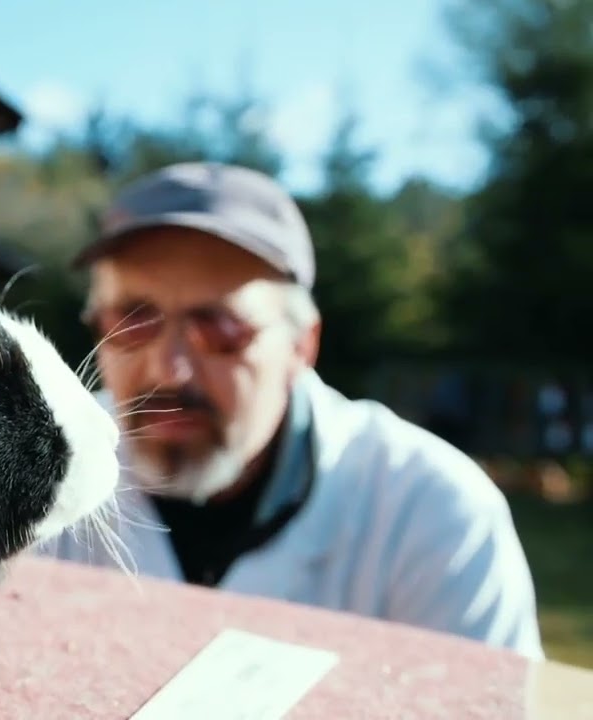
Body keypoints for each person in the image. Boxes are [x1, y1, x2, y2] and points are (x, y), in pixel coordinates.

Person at [34, 161, 546, 660]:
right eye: (133, 321)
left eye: (221, 329)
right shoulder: (35, 467)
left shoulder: (428, 511)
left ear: (301, 345)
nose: (170, 370)